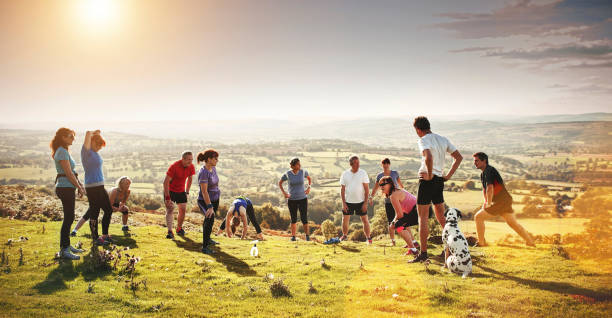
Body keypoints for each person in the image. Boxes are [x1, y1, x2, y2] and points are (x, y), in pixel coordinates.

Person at [409, 116, 463, 263]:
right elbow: (458, 157)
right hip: (439, 181)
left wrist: (430, 174)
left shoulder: (423, 140)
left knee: (423, 218)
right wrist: (447, 176)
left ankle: (424, 254)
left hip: (427, 181)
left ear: (418, 129)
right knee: (441, 217)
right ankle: (454, 247)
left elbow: (428, 157)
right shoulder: (443, 139)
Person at [473, 152, 535, 247]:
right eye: (474, 161)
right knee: (513, 223)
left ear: (484, 161)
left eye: (476, 160)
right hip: (505, 200)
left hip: (501, 202)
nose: (475, 163)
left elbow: (490, 188)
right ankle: (530, 242)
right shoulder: (483, 173)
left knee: (478, 217)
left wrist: (488, 203)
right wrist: (486, 202)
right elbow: (485, 190)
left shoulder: (489, 170)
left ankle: (481, 243)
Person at [51, 128, 85, 260]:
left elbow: (72, 173)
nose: (73, 139)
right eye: (71, 136)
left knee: (69, 217)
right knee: (69, 218)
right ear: (63, 137)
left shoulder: (63, 151)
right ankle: (64, 249)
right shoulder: (61, 152)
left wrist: (79, 185)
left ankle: (66, 246)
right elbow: (69, 173)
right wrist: (80, 187)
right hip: (64, 188)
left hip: (67, 187)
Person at [370, 158, 416, 247]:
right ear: (382, 165)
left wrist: (405, 195)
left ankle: (412, 242)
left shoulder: (395, 173)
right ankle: (393, 241)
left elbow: (400, 184)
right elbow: (376, 187)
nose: (385, 165)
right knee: (391, 221)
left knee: (402, 221)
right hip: (388, 202)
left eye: (387, 163)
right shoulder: (379, 176)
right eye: (384, 163)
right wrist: (371, 197)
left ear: (389, 164)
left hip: (399, 200)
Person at [80, 130, 114, 246]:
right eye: (98, 144)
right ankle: (95, 238)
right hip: (92, 187)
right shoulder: (86, 152)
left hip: (100, 185)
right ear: (92, 142)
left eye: (101, 145)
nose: (99, 147)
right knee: (94, 212)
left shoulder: (95, 153)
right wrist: (94, 133)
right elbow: (87, 133)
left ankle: (104, 235)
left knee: (108, 210)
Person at [378, 176, 420, 255]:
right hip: (417, 210)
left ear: (390, 184)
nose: (381, 186)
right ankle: (413, 244)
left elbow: (400, 215)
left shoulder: (393, 195)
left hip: (418, 211)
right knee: (400, 225)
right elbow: (401, 213)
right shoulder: (396, 192)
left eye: (383, 184)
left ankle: (413, 249)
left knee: (398, 226)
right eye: (380, 185)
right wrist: (394, 222)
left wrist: (393, 223)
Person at [340, 155, 372, 244]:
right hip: (348, 202)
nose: (358, 165)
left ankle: (368, 238)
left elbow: (366, 190)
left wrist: (365, 203)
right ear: (351, 164)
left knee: (365, 220)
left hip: (361, 202)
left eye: (359, 162)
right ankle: (344, 236)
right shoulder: (345, 174)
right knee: (345, 220)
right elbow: (342, 190)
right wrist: (344, 203)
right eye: (356, 163)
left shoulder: (363, 173)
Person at [163, 151, 195, 239]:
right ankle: (170, 231)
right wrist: (167, 197)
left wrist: (187, 191)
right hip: (170, 190)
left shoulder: (191, 166)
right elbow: (165, 182)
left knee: (183, 209)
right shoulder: (174, 166)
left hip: (181, 191)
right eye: (188, 159)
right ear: (183, 159)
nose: (190, 162)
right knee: (170, 209)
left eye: (191, 160)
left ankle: (179, 228)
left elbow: (190, 179)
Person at [278, 158, 312, 241]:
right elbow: (280, 183)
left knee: (304, 218)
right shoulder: (287, 174)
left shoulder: (303, 172)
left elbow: (309, 179)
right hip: (292, 200)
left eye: (300, 164)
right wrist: (285, 193)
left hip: (303, 199)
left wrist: (308, 188)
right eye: (298, 164)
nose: (300, 165)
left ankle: (307, 236)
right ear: (293, 166)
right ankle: (293, 237)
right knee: (293, 219)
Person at [197, 149, 220, 255]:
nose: (217, 160)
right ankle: (205, 247)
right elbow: (204, 191)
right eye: (215, 158)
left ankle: (208, 239)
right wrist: (209, 206)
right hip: (205, 201)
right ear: (209, 159)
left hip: (215, 199)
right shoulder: (203, 172)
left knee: (210, 221)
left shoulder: (213, 169)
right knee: (209, 220)